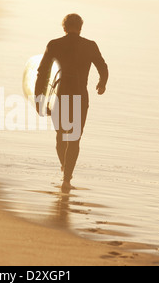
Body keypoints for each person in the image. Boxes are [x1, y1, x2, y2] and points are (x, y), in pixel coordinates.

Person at [35, 13, 109, 192]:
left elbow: (42, 73)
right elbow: (103, 67)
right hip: (80, 97)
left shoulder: (54, 45)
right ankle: (67, 179)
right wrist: (102, 83)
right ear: (81, 27)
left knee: (61, 136)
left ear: (64, 27)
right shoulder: (90, 46)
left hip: (61, 95)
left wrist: (39, 98)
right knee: (74, 139)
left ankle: (64, 168)